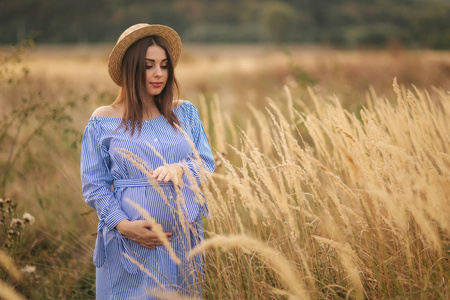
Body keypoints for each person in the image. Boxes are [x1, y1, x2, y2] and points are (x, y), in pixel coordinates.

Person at [80, 24, 214, 299]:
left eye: (164, 66)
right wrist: (123, 225)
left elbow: (205, 164)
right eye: (149, 65)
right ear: (131, 68)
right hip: (131, 245)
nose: (158, 73)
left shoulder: (184, 113)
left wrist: (180, 168)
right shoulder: (103, 121)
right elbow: (95, 185)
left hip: (183, 240)